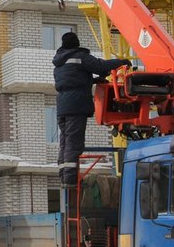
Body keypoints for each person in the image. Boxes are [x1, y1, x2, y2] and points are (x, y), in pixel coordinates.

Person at [53, 31, 132, 188]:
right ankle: (70, 180)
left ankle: (64, 175)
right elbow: (100, 66)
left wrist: (92, 80)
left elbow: (73, 79)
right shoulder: (80, 57)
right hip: (76, 105)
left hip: (62, 106)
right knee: (74, 143)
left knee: (65, 141)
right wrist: (121, 62)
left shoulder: (59, 62)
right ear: (76, 43)